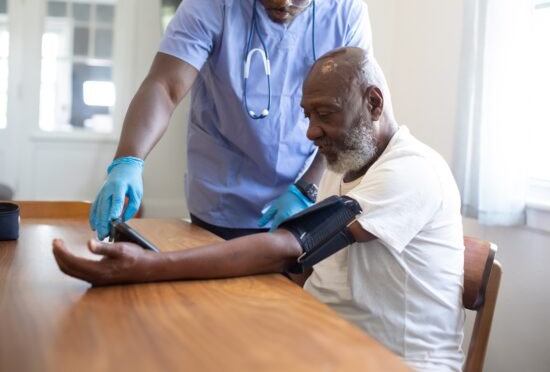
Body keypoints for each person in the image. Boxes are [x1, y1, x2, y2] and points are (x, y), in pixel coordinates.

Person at [54, 47, 465, 372]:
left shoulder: (412, 171)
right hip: (329, 341)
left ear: (373, 103)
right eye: (307, 116)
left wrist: (147, 267)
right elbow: (304, 264)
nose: (310, 131)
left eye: (324, 114)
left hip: (396, 362)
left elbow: (294, 246)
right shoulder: (352, 168)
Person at [89, 0, 381, 241]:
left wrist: (308, 187)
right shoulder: (213, 1)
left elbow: (350, 117)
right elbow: (165, 86)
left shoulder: (346, 12)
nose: (283, 0)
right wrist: (129, 159)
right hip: (221, 196)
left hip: (304, 195)